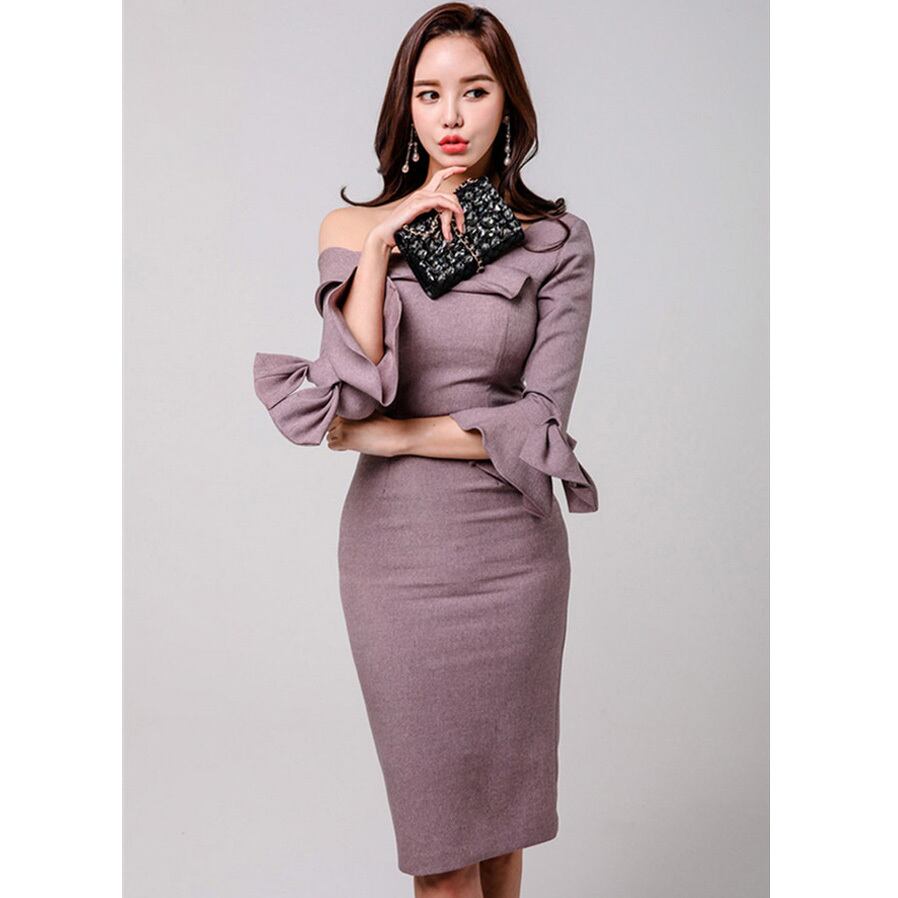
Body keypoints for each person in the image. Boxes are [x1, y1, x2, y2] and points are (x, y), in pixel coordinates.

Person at [253, 4, 599, 896]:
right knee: (442, 857)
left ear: (508, 103)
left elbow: (537, 423)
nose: (451, 116)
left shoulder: (557, 242)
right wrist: (382, 240)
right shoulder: (347, 228)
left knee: (503, 836)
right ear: (404, 107)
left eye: (474, 91)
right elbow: (351, 384)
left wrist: (385, 437)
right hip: (397, 561)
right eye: (430, 93)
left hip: (515, 558)